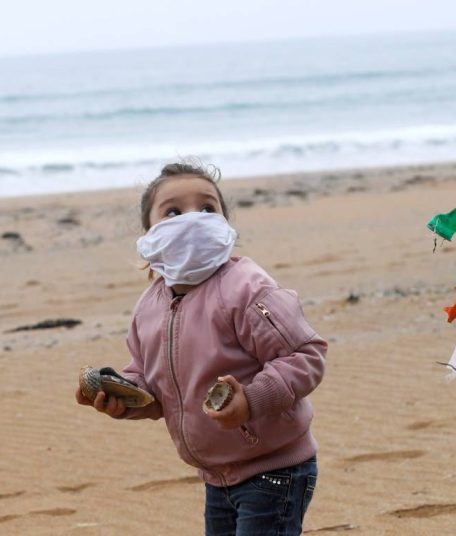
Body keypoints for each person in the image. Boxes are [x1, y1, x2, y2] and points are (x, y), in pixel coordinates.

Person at [75, 162, 327, 536]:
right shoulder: (149, 307)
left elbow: (305, 355)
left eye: (208, 208)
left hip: (274, 469)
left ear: (226, 225)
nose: (193, 219)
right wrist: (124, 398)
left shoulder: (246, 287)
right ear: (150, 236)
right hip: (216, 476)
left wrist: (252, 400)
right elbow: (153, 385)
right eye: (173, 212)